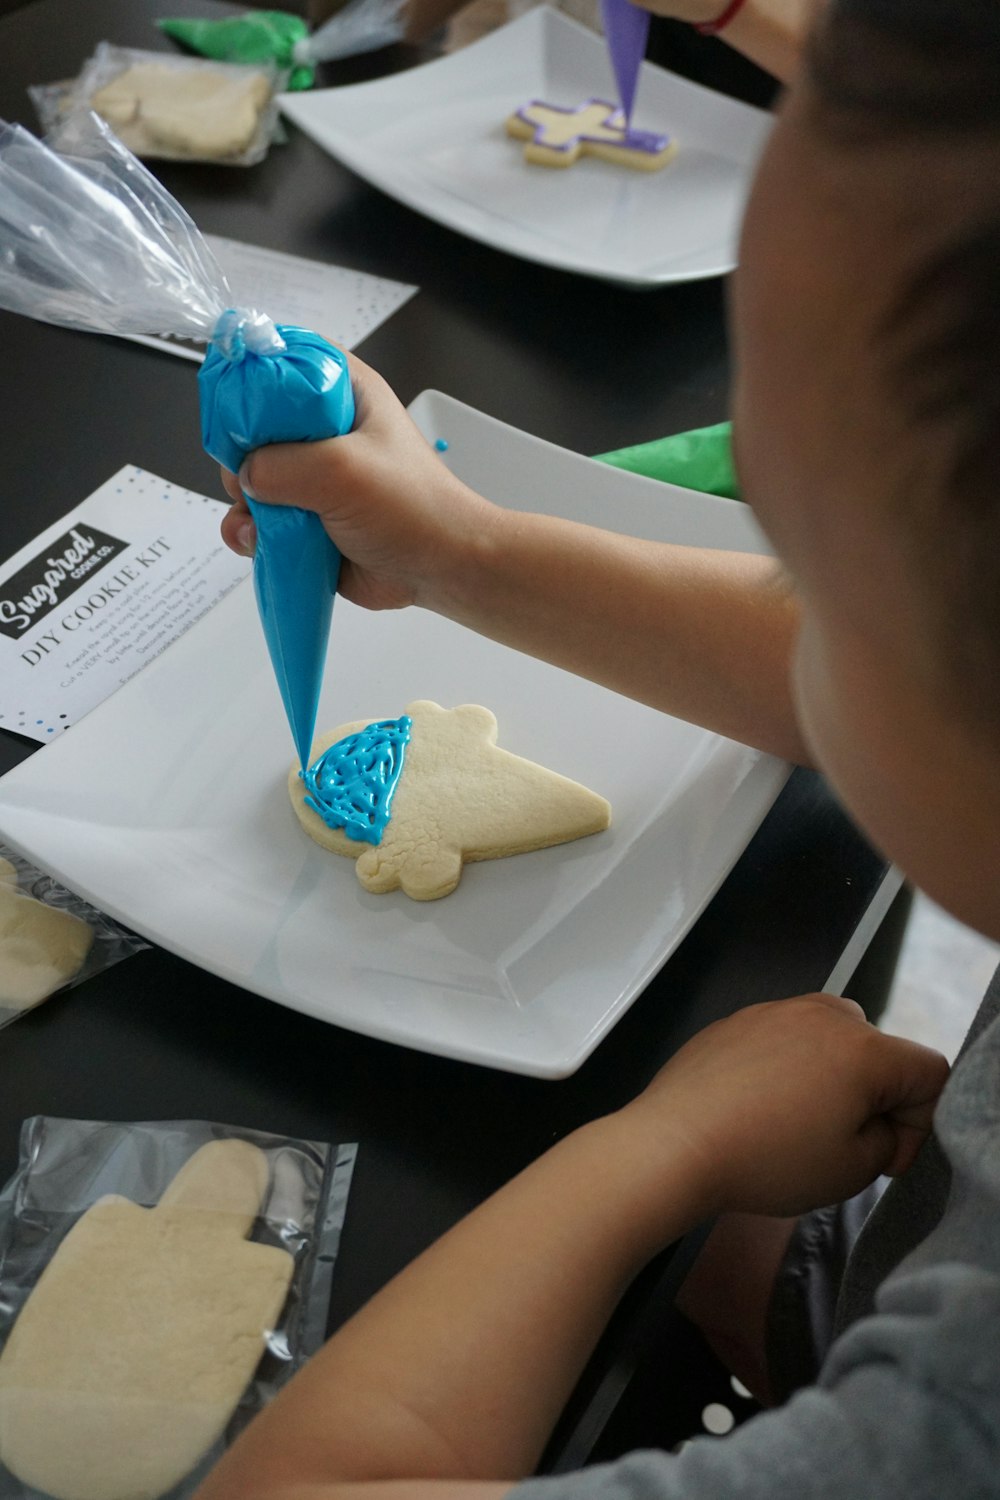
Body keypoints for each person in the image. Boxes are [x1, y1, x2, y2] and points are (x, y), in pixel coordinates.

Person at [197, 0, 1000, 1495]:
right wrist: (455, 548)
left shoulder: (954, 1427)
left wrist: (665, 1154)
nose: (786, 614)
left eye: (802, 560)